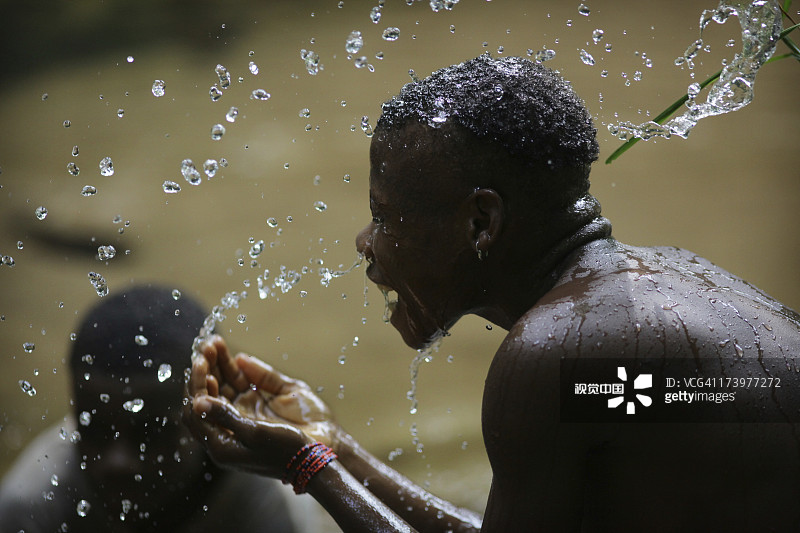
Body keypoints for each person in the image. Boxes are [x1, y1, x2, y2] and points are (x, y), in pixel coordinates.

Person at [186, 54, 800, 532]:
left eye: (383, 215)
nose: (365, 243)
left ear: (481, 222)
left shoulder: (552, 353)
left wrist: (308, 467)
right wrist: (338, 451)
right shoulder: (665, 285)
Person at [0, 286, 312, 532]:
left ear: (212, 413)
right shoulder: (33, 506)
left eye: (150, 433)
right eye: (94, 430)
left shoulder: (270, 501)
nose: (117, 462)